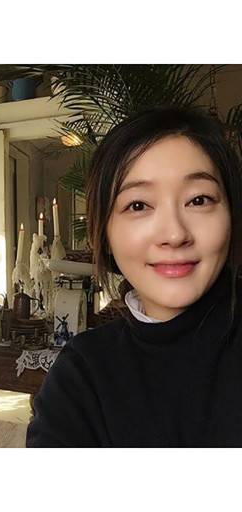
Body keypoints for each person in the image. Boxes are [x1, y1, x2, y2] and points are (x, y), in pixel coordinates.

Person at [26, 106, 242, 447]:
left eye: (199, 200)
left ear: (232, 215)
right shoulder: (82, 374)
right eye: (138, 205)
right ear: (104, 233)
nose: (174, 234)